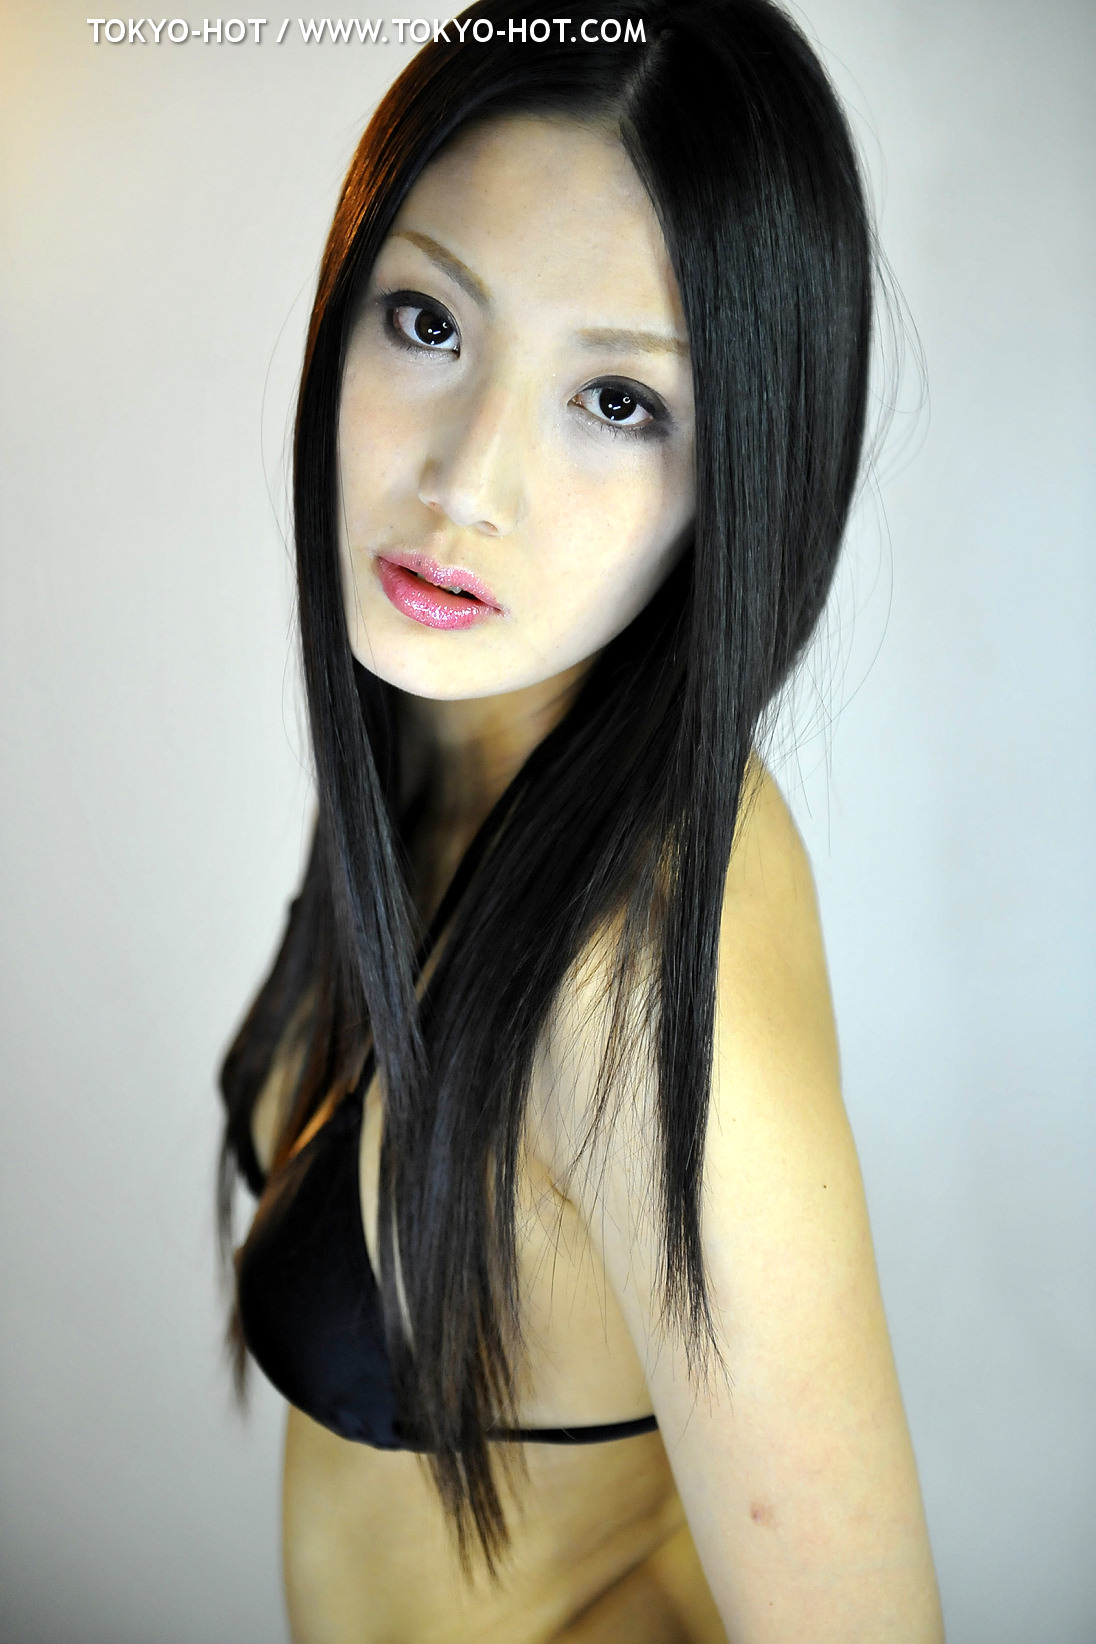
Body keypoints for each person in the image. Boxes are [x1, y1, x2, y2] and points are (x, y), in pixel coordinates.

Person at [219, 1, 945, 1637]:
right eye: (427, 321)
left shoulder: (635, 973)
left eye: (619, 402)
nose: (465, 484)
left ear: (744, 469)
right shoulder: (455, 735)